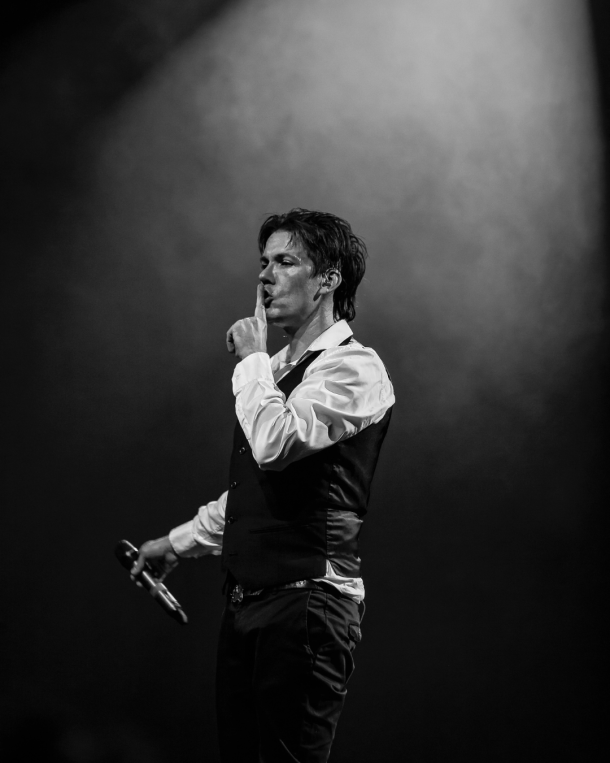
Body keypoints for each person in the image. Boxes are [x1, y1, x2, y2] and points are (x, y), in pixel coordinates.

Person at [133, 209, 395, 762]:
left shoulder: (355, 368)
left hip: (308, 607)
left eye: (285, 262)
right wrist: (175, 544)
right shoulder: (273, 372)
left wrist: (252, 359)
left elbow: (276, 445)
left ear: (328, 279)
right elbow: (254, 493)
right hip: (248, 607)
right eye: (263, 262)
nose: (264, 276)